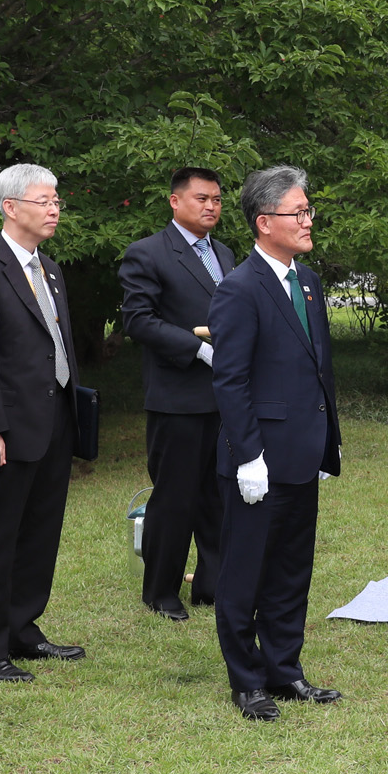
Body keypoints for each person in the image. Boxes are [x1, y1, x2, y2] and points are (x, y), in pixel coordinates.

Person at [209, 166, 342, 721]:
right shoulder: (239, 288)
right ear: (265, 222)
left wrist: (327, 440)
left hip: (302, 452)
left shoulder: (307, 281)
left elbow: (318, 368)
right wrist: (249, 456)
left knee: (291, 570)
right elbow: (230, 380)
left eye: (308, 211)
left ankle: (284, 670)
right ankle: (247, 682)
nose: (308, 221)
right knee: (245, 575)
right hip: (259, 459)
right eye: (298, 212)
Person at [0, 164, 85, 682]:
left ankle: (22, 628)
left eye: (57, 201)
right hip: (10, 426)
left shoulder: (49, 268)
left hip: (55, 416)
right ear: (10, 207)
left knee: (39, 532)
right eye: (44, 201)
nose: (54, 209)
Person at [119, 166, 234, 620]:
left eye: (217, 200)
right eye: (202, 198)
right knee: (175, 498)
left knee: (219, 496)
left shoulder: (224, 253)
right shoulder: (147, 253)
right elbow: (138, 320)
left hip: (224, 397)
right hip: (178, 398)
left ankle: (212, 585)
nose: (211, 206)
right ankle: (161, 591)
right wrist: (198, 350)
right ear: (175, 200)